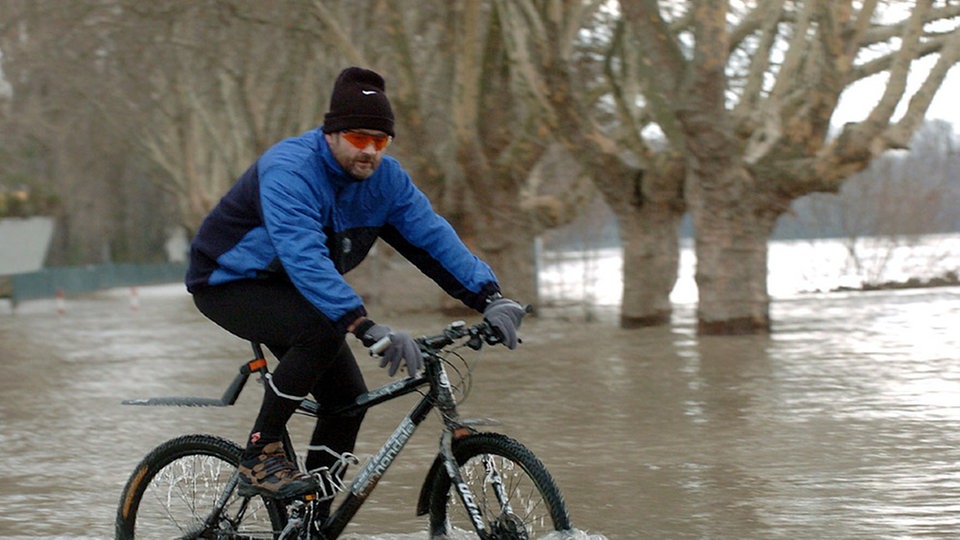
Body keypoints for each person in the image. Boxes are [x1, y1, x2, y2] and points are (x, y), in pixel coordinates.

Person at [185, 67, 525, 505]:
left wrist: (490, 297)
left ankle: (310, 520)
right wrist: (365, 326)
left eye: (379, 141)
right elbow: (304, 258)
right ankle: (261, 450)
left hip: (297, 287)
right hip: (228, 281)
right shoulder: (290, 170)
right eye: (359, 138)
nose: (369, 152)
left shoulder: (387, 181)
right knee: (323, 331)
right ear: (332, 133)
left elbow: (433, 239)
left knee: (348, 400)